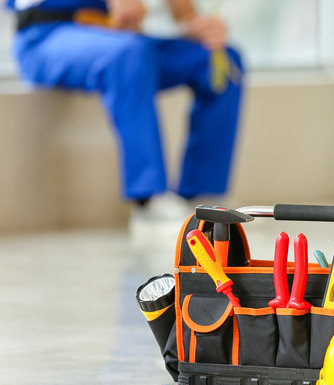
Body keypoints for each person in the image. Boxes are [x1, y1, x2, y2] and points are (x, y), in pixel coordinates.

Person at [7, 0, 243, 222]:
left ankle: (203, 200)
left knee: (219, 60)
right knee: (128, 54)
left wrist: (192, 23)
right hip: (46, 36)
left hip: (116, 34)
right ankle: (148, 201)